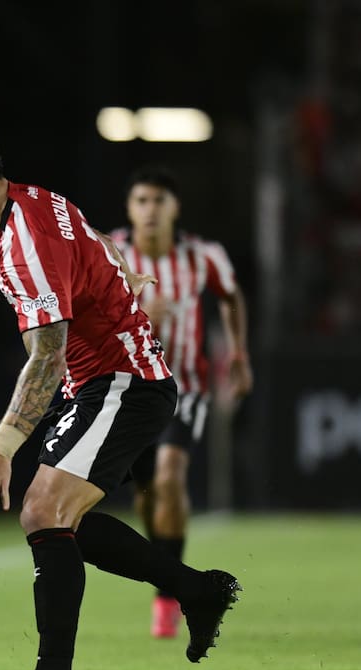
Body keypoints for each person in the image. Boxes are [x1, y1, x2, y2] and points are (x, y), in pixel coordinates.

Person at [0, 113, 241, 670]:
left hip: (121, 380)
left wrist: (1, 446)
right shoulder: (36, 200)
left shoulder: (23, 238)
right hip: (105, 381)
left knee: (42, 510)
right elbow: (96, 241)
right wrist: (123, 272)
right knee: (65, 523)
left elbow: (47, 354)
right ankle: (198, 591)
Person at [108, 165, 254, 639]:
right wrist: (137, 313)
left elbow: (231, 297)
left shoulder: (201, 255)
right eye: (142, 201)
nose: (151, 210)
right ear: (131, 209)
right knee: (149, 496)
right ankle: (168, 571)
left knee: (170, 479)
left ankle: (168, 597)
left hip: (185, 386)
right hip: (127, 390)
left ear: (175, 208)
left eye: (159, 201)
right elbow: (88, 311)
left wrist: (237, 353)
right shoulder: (110, 252)